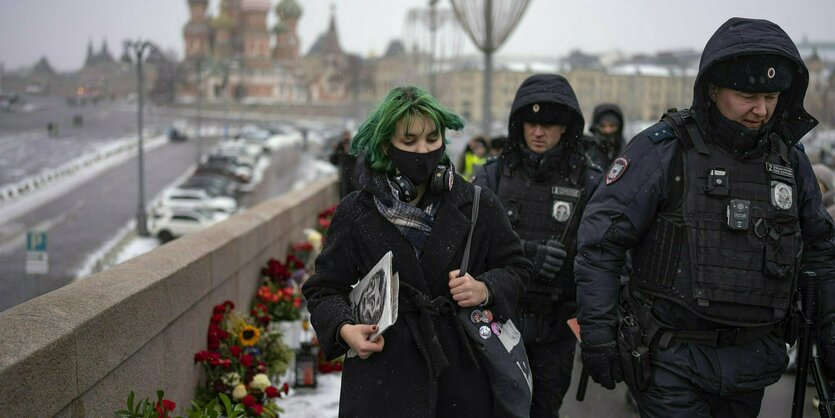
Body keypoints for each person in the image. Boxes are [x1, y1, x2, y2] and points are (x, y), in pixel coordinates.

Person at [575, 17, 835, 418]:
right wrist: (598, 336)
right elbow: (601, 243)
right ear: (713, 90)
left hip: (753, 363)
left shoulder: (788, 159)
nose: (761, 110)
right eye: (747, 95)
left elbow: (820, 251)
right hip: (671, 361)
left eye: (770, 96)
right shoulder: (665, 150)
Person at [303, 85, 530, 417]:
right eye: (409, 142)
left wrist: (485, 288)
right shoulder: (356, 211)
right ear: (386, 146)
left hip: (462, 374)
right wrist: (345, 329)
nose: (423, 150)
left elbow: (517, 268)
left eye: (432, 139)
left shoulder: (478, 203)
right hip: (382, 375)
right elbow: (324, 288)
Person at [473, 73, 602, 417]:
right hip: (498, 322)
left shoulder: (590, 181)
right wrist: (529, 253)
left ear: (566, 128)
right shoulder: (493, 176)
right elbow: (468, 243)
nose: (538, 132)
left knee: (543, 410)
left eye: (549, 124)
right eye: (531, 123)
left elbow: (606, 254)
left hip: (555, 328)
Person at [581, 103, 626, 169]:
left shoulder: (625, 148)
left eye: (612, 126)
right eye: (603, 126)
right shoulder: (588, 146)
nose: (608, 130)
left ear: (619, 127)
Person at [329, 130, 362, 198]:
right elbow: (333, 161)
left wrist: (350, 150)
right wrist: (335, 150)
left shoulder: (355, 149)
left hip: (354, 180)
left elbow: (358, 158)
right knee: (344, 198)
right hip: (344, 180)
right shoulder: (340, 150)